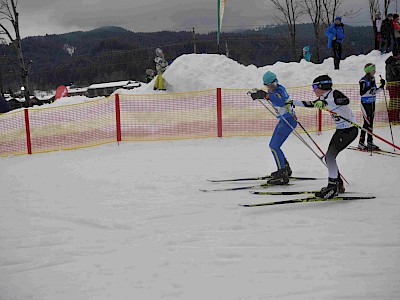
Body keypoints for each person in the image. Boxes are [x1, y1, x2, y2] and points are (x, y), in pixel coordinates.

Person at [290, 75, 358, 198]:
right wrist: (292, 102)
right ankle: (338, 184)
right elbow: (311, 104)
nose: (313, 89)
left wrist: (326, 102)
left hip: (350, 130)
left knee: (330, 157)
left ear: (322, 86)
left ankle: (332, 186)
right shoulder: (322, 98)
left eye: (315, 86)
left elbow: (345, 100)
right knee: (329, 157)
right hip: (341, 130)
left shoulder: (335, 94)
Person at [250, 71, 297, 185]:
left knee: (274, 146)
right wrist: (257, 95)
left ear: (275, 82)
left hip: (288, 120)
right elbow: (269, 97)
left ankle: (282, 173)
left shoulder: (280, 91)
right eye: (267, 86)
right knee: (274, 146)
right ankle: (285, 168)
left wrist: (266, 95)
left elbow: (280, 100)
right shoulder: (274, 91)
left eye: (271, 85)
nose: (269, 88)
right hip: (284, 120)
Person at [358, 63, 385, 150]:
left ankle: (370, 142)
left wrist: (382, 86)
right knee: (367, 123)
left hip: (372, 103)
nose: (375, 71)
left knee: (371, 123)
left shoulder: (373, 79)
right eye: (373, 70)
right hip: (365, 104)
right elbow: (362, 93)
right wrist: (370, 86)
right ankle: (361, 142)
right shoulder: (363, 80)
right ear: (369, 71)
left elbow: (374, 92)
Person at [385, 49, 400, 123]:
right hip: (394, 85)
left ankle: (394, 117)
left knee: (395, 101)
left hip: (393, 84)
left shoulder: (390, 62)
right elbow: (396, 73)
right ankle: (394, 118)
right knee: (395, 102)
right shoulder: (393, 63)